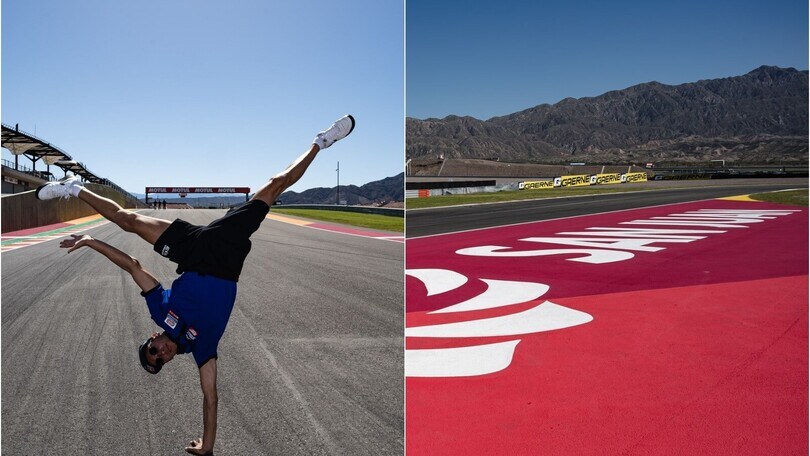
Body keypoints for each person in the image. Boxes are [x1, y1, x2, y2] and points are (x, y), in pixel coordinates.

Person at [35, 115, 355, 455]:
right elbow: (210, 398)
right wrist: (207, 446)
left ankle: (73, 187)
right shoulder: (202, 351)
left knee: (127, 220)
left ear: (153, 337)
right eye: (161, 360)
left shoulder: (160, 311)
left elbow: (132, 266)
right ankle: (320, 144)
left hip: (194, 250)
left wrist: (90, 241)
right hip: (226, 257)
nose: (162, 352)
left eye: (152, 350)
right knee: (275, 188)